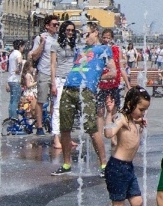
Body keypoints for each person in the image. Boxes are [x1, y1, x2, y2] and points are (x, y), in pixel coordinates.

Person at [53, 23, 116, 175]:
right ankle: (66, 164)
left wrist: (96, 77)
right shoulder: (79, 50)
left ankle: (104, 165)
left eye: (87, 34)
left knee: (91, 128)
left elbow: (113, 72)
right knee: (65, 128)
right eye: (82, 35)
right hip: (68, 87)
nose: (84, 38)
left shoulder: (103, 49)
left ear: (96, 33)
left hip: (86, 90)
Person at [100, 87, 151, 206]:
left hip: (128, 167)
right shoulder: (121, 118)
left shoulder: (132, 120)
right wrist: (109, 113)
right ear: (130, 104)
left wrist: (139, 122)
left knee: (137, 202)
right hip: (117, 168)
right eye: (141, 109)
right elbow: (108, 133)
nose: (143, 113)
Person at [48, 21, 79, 150]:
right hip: (60, 79)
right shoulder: (56, 45)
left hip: (72, 80)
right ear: (63, 31)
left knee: (70, 109)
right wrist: (53, 83)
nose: (70, 32)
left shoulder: (75, 45)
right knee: (57, 108)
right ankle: (56, 137)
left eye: (72, 30)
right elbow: (53, 64)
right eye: (68, 30)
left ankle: (67, 137)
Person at [28, 15, 60, 135]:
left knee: (55, 100)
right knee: (41, 100)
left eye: (58, 24)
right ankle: (40, 126)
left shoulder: (58, 38)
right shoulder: (40, 37)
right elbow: (34, 56)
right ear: (47, 26)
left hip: (56, 73)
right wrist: (42, 43)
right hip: (44, 72)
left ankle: (53, 125)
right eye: (54, 25)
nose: (56, 26)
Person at [97, 28, 127, 109]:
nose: (106, 40)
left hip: (114, 83)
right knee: (100, 109)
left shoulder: (117, 50)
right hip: (101, 83)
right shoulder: (98, 49)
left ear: (112, 38)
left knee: (113, 108)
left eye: (108, 38)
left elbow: (121, 68)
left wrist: (128, 84)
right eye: (104, 37)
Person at [6, 40, 24, 121]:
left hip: (10, 80)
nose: (23, 48)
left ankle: (11, 118)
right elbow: (20, 62)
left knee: (12, 101)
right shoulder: (18, 53)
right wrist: (19, 69)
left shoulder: (12, 54)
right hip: (15, 80)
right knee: (15, 101)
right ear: (20, 46)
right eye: (23, 46)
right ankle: (14, 119)